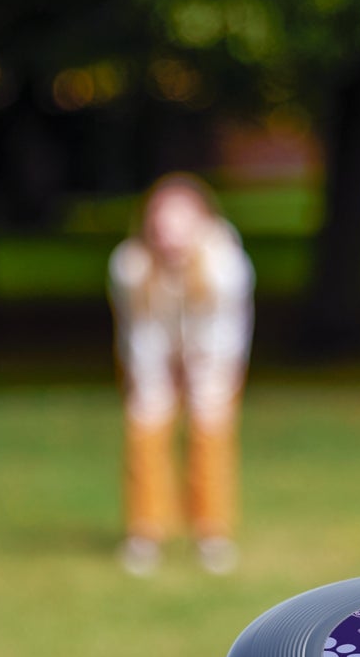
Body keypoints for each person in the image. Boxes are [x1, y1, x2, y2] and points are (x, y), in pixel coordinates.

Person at [108, 173, 255, 576]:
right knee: (145, 428)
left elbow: (226, 332)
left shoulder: (226, 265)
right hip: (152, 356)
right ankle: (145, 532)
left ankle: (212, 533)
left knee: (210, 433)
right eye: (161, 222)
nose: (169, 233)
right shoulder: (130, 265)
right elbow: (139, 332)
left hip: (213, 357)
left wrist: (202, 375)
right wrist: (155, 380)